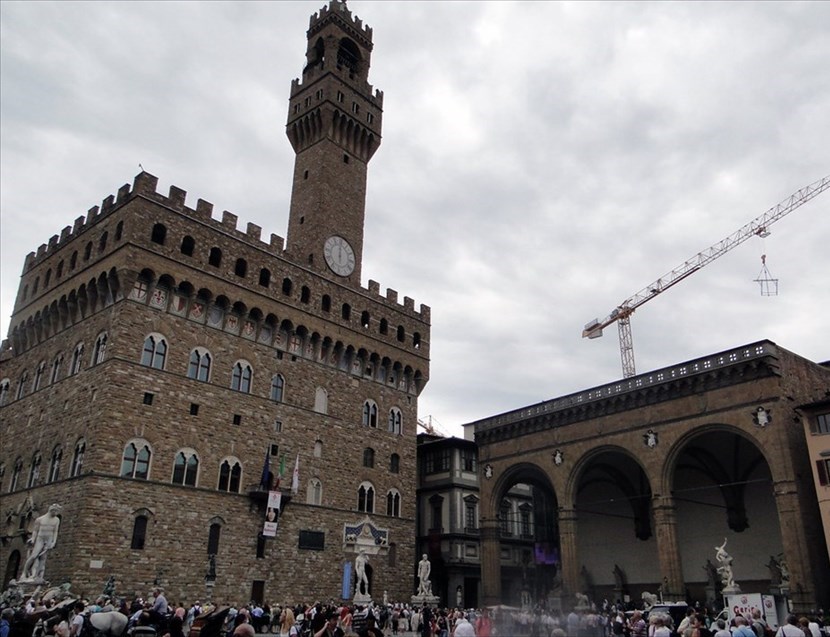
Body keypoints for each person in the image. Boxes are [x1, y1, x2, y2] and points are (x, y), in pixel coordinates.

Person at [22, 504, 62, 581]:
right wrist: (33, 539)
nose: (56, 513)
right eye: (56, 511)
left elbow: (55, 531)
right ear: (52, 510)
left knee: (43, 558)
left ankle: (38, 575)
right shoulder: (40, 519)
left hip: (49, 539)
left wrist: (54, 541)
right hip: (40, 538)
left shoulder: (57, 520)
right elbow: (35, 531)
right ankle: (24, 573)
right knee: (34, 556)